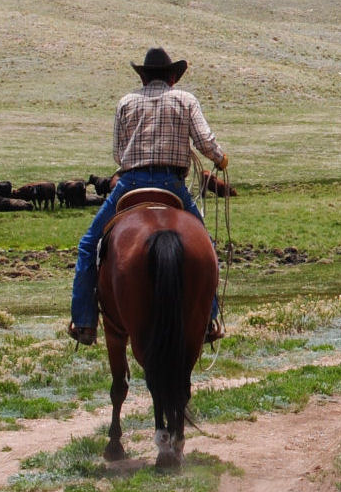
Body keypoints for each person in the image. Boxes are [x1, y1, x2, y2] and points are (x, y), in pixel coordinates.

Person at [68, 47, 230, 346]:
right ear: (172, 76)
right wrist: (220, 160)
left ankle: (85, 322)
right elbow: (205, 141)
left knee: (89, 245)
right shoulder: (185, 100)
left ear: (143, 78)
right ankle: (209, 319)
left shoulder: (126, 102)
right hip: (172, 184)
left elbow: (118, 154)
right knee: (205, 246)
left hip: (130, 183)